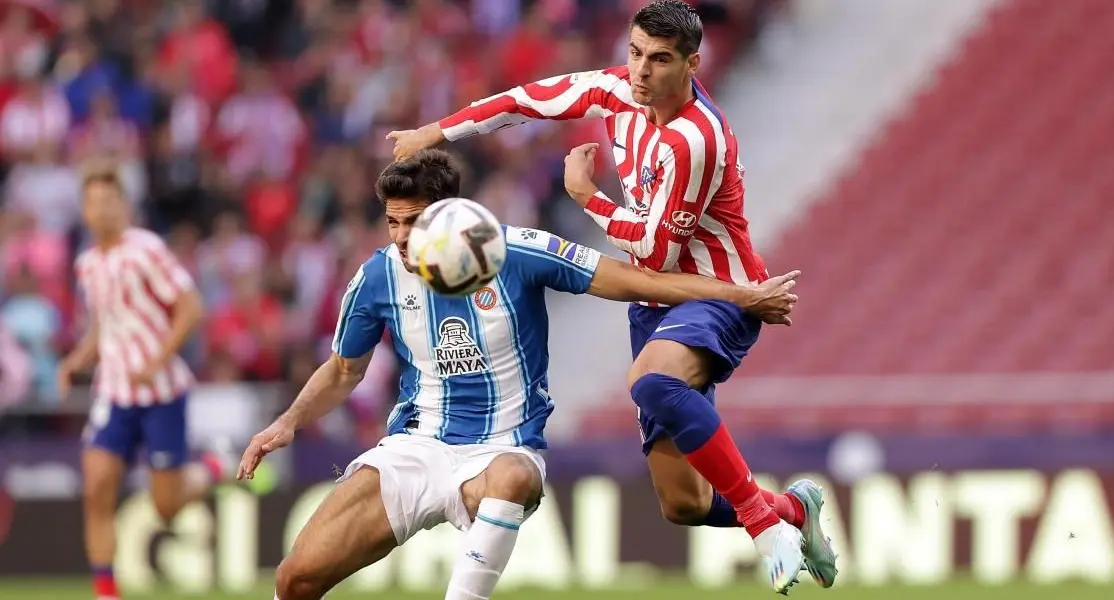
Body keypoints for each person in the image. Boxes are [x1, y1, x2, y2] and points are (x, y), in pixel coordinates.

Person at [384, 0, 837, 591]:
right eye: (636, 54)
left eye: (660, 60)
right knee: (685, 504)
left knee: (653, 382)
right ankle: (795, 511)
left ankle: (762, 524)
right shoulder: (617, 90)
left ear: (692, 63)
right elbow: (527, 100)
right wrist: (435, 130)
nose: (642, 71)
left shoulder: (695, 140)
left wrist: (586, 196)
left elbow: (657, 254)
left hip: (721, 292)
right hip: (655, 303)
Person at [237, 150, 802, 600]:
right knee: (295, 581)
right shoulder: (379, 276)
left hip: (505, 450)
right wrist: (288, 422)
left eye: (414, 222)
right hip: (415, 447)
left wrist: (738, 294)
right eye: (392, 222)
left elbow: (636, 282)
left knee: (511, 480)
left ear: (448, 215)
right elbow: (343, 369)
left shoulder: (516, 250)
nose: (402, 237)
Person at [59, 163, 231, 600]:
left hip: (161, 393)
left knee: (166, 506)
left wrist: (157, 359)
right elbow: (105, 325)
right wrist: (75, 360)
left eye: (109, 201)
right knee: (97, 486)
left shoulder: (146, 250)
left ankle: (212, 467)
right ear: (84, 209)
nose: (102, 210)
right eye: (94, 202)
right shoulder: (88, 264)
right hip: (113, 392)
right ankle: (105, 591)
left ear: (124, 205)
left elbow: (191, 307)